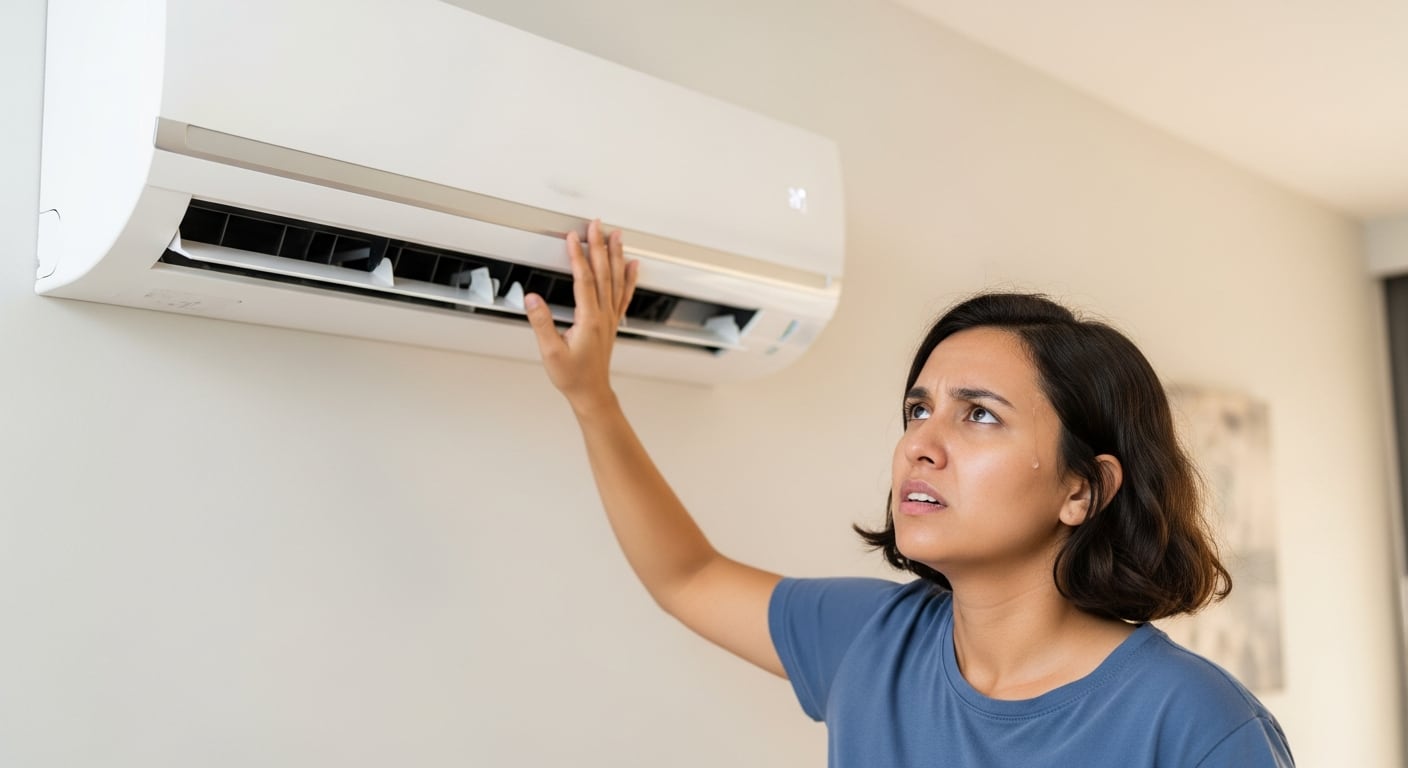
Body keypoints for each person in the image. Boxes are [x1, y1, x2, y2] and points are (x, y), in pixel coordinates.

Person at [522, 221, 1294, 767]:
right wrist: (593, 398)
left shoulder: (1196, 726)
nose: (920, 444)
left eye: (979, 415)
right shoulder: (871, 641)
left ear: (1082, 491)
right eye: (917, 409)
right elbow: (685, 576)